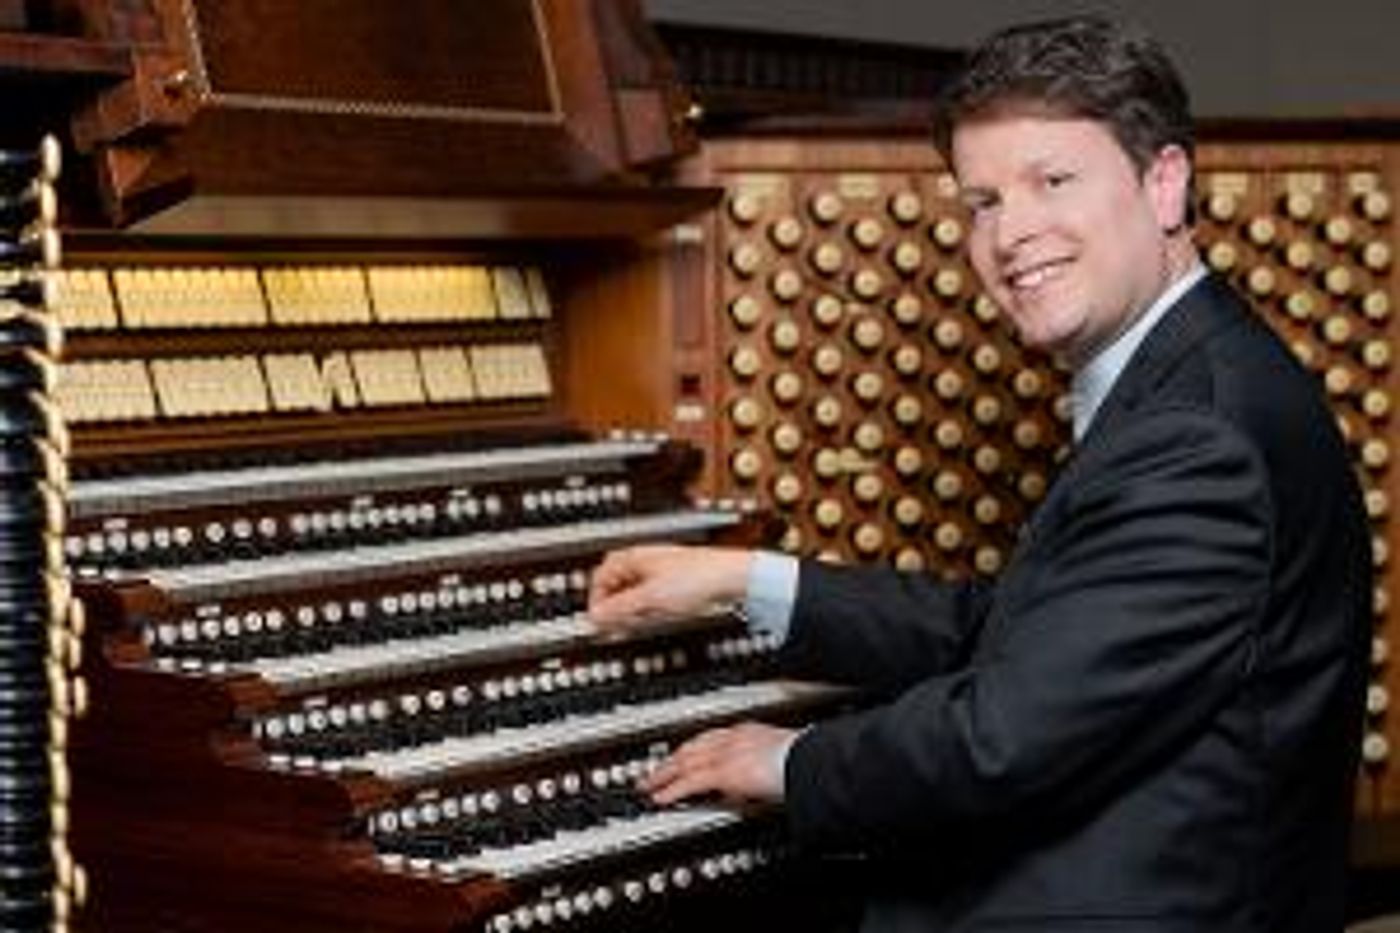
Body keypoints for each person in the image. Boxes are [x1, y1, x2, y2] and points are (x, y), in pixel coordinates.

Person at [590, 14, 1371, 932]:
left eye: (1052, 180)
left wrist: (789, 761)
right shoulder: (1190, 375)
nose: (1011, 234)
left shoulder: (1199, 437)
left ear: (1164, 184)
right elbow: (1025, 636)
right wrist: (745, 578)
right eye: (983, 201)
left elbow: (1001, 735)